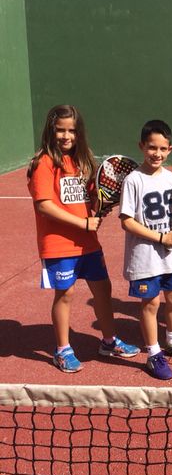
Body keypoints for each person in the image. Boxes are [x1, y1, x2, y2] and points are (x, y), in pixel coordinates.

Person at [27, 104, 140, 372]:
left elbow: (93, 196)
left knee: (103, 289)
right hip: (58, 244)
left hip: (87, 243)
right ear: (50, 131)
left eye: (72, 131)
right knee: (65, 294)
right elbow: (44, 205)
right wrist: (82, 222)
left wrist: (100, 206)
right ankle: (62, 350)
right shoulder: (44, 162)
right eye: (60, 130)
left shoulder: (83, 161)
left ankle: (109, 341)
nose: (66, 136)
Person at [120, 120, 172, 381]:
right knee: (151, 303)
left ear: (170, 149)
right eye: (152, 147)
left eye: (163, 149)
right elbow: (127, 221)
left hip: (168, 257)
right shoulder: (133, 180)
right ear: (141, 146)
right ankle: (153, 354)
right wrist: (161, 237)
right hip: (144, 256)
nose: (157, 153)